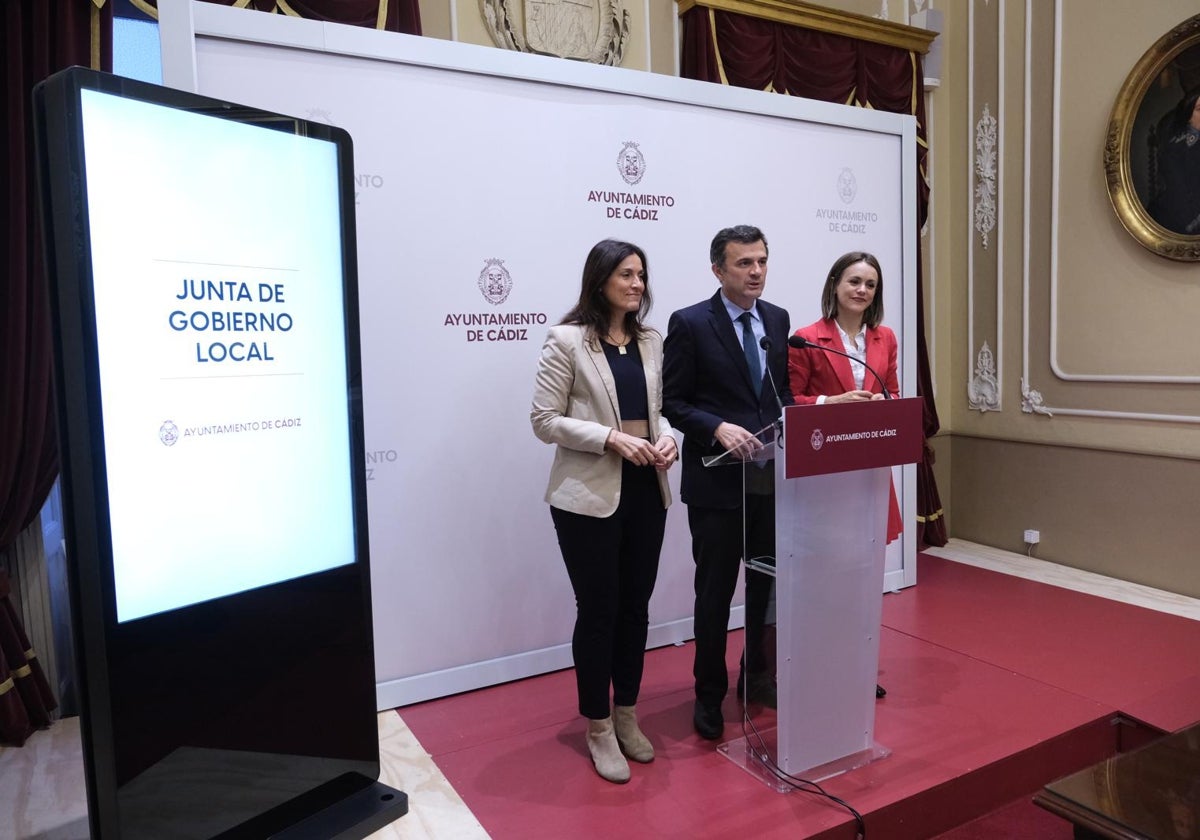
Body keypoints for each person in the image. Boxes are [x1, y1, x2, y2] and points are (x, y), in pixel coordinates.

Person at [530, 238, 677, 783]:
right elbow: (544, 420)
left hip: (647, 488)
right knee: (599, 611)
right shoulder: (567, 341)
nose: (637, 284)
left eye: (642, 274)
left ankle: (627, 714)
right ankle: (597, 726)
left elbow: (663, 411)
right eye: (626, 274)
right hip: (588, 496)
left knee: (636, 608)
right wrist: (610, 438)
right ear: (600, 280)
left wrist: (671, 440)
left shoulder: (651, 341)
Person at [662, 225, 793, 741]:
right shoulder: (691, 323)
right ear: (718, 269)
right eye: (744, 263)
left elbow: (777, 393)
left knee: (767, 584)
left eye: (761, 261)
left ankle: (757, 677)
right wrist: (715, 427)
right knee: (715, 593)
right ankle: (708, 695)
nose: (756, 271)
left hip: (768, 480)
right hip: (717, 485)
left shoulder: (778, 320)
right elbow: (672, 401)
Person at [787, 250, 903, 543]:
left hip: (871, 457)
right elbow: (789, 401)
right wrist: (831, 402)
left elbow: (893, 391)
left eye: (871, 285)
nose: (862, 290)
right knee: (829, 545)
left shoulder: (886, 337)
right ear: (835, 284)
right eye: (854, 281)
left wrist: (885, 402)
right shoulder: (808, 338)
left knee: (868, 546)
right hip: (826, 458)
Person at [1148, 88, 1200, 235]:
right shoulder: (1176, 148)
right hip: (1181, 213)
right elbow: (1178, 188)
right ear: (1188, 115)